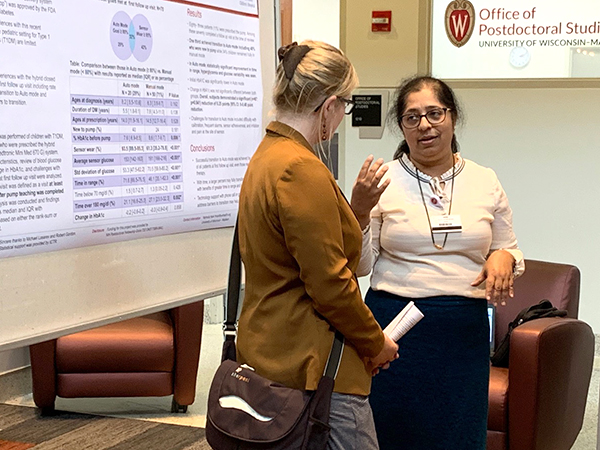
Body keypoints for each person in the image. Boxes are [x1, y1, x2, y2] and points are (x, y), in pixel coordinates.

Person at [236, 40, 399, 450]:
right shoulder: (300, 168)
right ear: (328, 107)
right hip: (312, 364)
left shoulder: (267, 155)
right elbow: (330, 284)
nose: (343, 116)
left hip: (271, 350)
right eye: (344, 105)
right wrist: (375, 343)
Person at [351, 75, 525, 450]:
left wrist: (502, 257)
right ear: (401, 126)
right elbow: (361, 266)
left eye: (434, 113)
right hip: (395, 327)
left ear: (452, 117)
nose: (424, 125)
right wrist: (360, 212)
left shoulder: (484, 179)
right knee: (393, 430)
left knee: (458, 433)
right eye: (412, 117)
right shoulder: (383, 181)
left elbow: (510, 248)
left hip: (462, 329)